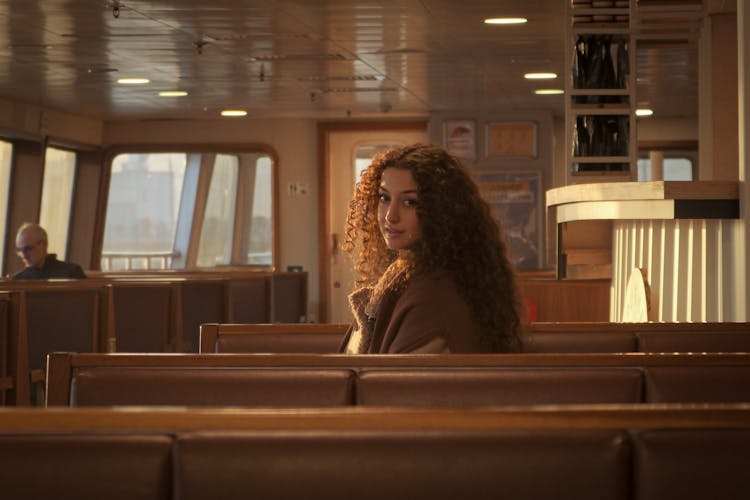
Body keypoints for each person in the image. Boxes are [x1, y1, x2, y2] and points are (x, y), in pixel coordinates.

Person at [340, 143, 521, 354]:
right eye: (384, 198)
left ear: (442, 211)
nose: (391, 216)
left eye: (409, 202)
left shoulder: (431, 295)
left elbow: (392, 384)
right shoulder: (408, 271)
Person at [11, 222, 86, 280]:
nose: (24, 255)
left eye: (28, 249)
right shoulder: (17, 280)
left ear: (44, 245)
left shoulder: (71, 272)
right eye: (20, 250)